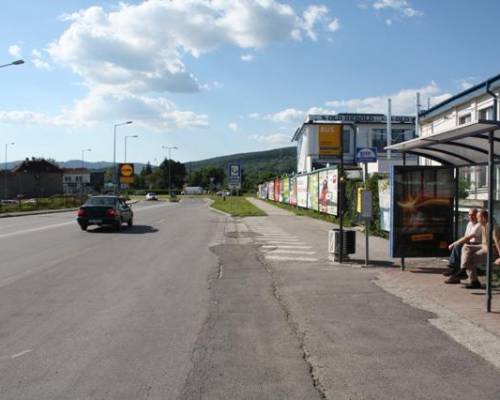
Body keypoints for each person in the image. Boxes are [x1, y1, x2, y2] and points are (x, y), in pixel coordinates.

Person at [446, 210, 500, 288]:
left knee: (470, 258)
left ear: (483, 218)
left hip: (491, 250)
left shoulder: (493, 227)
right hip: (483, 246)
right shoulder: (482, 225)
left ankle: (474, 282)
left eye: (478, 218)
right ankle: (463, 270)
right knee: (465, 247)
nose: (477, 220)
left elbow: (498, 242)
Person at [443, 208, 481, 278]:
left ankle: (457, 269)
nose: (471, 217)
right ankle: (455, 269)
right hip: (470, 243)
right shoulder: (469, 224)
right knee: (458, 246)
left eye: (473, 215)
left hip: (477, 244)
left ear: (477, 216)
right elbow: (465, 237)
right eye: (469, 215)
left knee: (458, 246)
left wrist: (454, 243)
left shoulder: (479, 225)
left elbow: (468, 237)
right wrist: (457, 243)